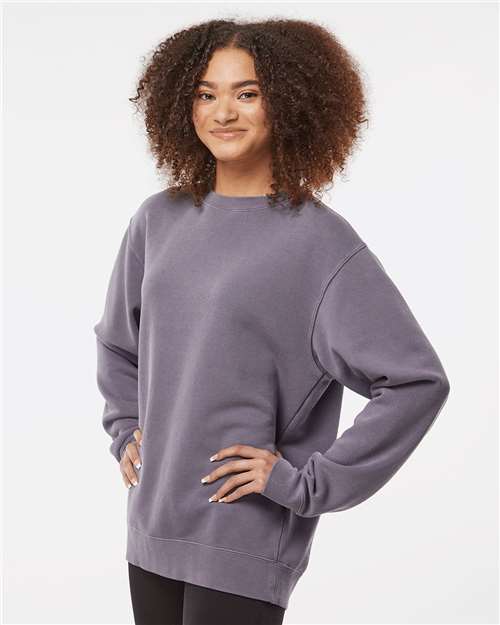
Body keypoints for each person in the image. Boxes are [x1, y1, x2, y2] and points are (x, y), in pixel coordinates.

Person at [93, 17, 451, 625]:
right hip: (152, 523)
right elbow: (118, 343)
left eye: (247, 93)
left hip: (243, 534)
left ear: (286, 102)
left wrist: (306, 482)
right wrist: (126, 428)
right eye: (205, 93)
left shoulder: (319, 243)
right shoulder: (157, 220)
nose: (223, 112)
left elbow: (415, 381)